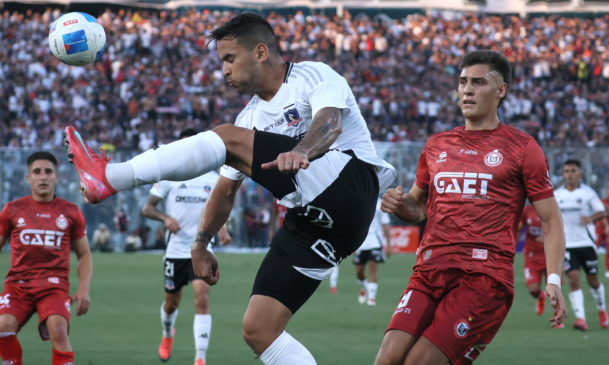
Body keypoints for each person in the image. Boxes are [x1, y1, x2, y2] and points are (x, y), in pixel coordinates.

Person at [64, 13, 395, 365]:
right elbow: (224, 192)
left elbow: (330, 123)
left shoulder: (313, 75)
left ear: (261, 52)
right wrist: (201, 243)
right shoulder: (248, 120)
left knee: (225, 137)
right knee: (259, 329)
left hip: (353, 186)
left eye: (229, 59)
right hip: (320, 224)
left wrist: (301, 151)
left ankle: (111, 177)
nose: (223, 70)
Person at [374, 50, 567, 365]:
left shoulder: (522, 148)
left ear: (501, 90)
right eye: (463, 82)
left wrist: (554, 280)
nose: (467, 89)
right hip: (429, 270)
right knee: (387, 359)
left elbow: (551, 221)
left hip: (484, 278)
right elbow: (418, 207)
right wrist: (398, 203)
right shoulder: (437, 144)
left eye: (478, 82)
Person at [141, 128, 230, 365]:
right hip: (175, 252)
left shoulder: (214, 179)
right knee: (171, 304)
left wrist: (222, 229)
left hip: (200, 252)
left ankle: (200, 359)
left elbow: (220, 210)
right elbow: (147, 208)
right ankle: (168, 334)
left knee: (202, 300)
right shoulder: (169, 177)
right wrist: (165, 218)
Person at [0, 151, 93, 365]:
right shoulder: (12, 210)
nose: (43, 176)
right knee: (2, 326)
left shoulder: (71, 212)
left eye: (48, 172)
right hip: (17, 285)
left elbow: (84, 254)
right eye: (37, 172)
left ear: (57, 177)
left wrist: (84, 288)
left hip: (53, 287)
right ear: (28, 178)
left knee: (58, 330)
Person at [555, 159, 609, 331]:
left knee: (593, 281)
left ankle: (602, 310)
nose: (569, 174)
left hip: (587, 244)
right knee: (574, 279)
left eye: (573, 171)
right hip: (568, 245)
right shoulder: (557, 195)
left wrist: (590, 219)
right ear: (563, 174)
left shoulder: (588, 193)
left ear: (579, 173)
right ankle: (581, 319)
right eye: (566, 171)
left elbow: (602, 211)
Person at [518, 205, 563, 326]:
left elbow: (561, 229)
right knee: (532, 288)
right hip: (532, 254)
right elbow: (518, 228)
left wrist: (549, 238)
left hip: (549, 253)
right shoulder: (526, 210)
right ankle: (541, 296)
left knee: (554, 287)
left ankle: (557, 317)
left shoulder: (552, 208)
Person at [354, 198, 392, 306]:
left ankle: (371, 299)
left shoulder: (381, 204)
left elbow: (385, 225)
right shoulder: (360, 201)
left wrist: (389, 244)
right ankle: (364, 287)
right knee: (359, 271)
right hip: (361, 243)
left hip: (376, 242)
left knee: (373, 269)